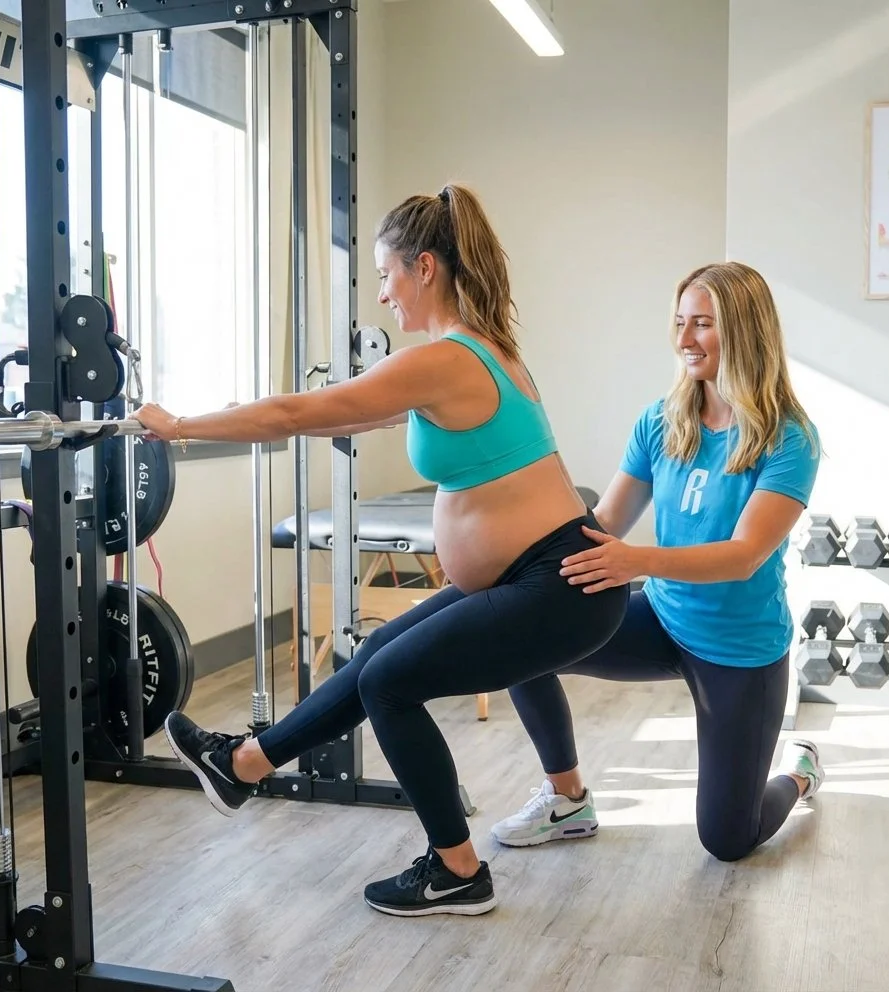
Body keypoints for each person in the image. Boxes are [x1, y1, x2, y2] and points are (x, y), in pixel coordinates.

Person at [133, 183, 628, 917]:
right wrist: (246, 415)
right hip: (540, 575)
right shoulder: (471, 354)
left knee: (389, 681)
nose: (382, 292)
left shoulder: (450, 359)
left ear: (424, 267)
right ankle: (243, 763)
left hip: (558, 582)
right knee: (372, 656)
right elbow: (330, 414)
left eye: (386, 273)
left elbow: (300, 411)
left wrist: (178, 426)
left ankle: (457, 871)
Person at [490, 261, 823, 863]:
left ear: (744, 332)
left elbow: (744, 556)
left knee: (728, 840)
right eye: (679, 323)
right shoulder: (661, 420)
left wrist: (633, 562)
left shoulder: (788, 438)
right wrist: (529, 485)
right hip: (661, 621)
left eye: (703, 324)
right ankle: (567, 801)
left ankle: (799, 773)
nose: (684, 339)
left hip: (738, 649)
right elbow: (605, 525)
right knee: (516, 631)